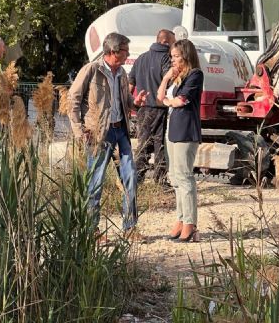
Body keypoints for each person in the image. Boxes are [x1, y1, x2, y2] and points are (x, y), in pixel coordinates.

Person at [68, 32, 148, 239]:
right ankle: (91, 230)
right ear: (113, 51)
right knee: (96, 181)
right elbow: (73, 100)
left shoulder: (121, 72)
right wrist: (79, 131)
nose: (128, 54)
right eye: (125, 51)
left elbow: (125, 100)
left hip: (120, 131)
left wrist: (135, 102)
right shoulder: (91, 70)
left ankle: (130, 228)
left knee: (130, 176)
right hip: (98, 134)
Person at [157, 39, 204, 243]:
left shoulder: (195, 75)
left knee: (185, 177)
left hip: (186, 130)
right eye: (172, 56)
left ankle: (190, 223)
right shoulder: (177, 78)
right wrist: (166, 78)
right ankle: (180, 217)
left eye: (176, 56)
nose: (173, 60)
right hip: (173, 129)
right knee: (175, 177)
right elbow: (160, 97)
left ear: (186, 55)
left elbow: (182, 101)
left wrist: (169, 101)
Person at [128, 29, 176, 185]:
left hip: (141, 108)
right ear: (165, 42)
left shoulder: (141, 58)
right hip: (159, 107)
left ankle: (137, 178)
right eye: (173, 43)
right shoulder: (165, 58)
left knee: (142, 143)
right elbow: (167, 80)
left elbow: (130, 84)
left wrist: (129, 104)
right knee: (159, 144)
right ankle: (160, 180)